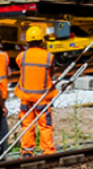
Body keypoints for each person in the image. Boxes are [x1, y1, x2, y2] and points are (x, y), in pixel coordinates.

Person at [16, 26, 57, 157]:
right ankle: (48, 151)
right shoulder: (48, 56)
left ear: (27, 41)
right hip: (42, 97)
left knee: (27, 124)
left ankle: (27, 151)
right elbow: (52, 73)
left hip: (26, 97)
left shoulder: (21, 56)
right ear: (41, 40)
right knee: (45, 125)